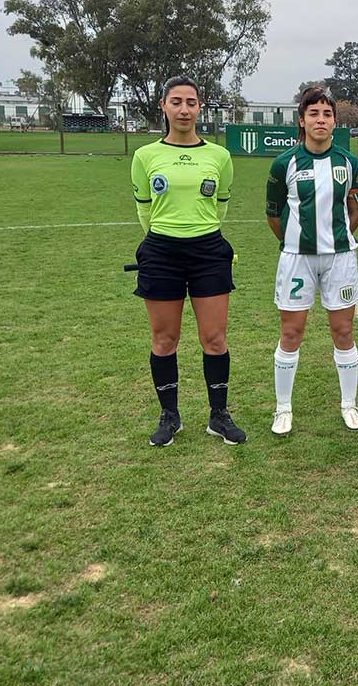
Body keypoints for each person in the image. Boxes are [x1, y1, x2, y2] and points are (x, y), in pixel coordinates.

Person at [130, 76, 246, 447]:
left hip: (208, 251)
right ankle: (170, 416)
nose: (184, 109)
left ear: (200, 108)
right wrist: (169, 237)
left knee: (214, 338)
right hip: (161, 252)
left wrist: (199, 233)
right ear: (163, 106)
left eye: (191, 102)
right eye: (176, 101)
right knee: (165, 339)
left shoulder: (219, 156)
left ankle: (219, 415)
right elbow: (144, 212)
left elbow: (221, 206)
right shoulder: (145, 156)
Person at [265, 87, 358, 435]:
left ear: (335, 121)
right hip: (297, 260)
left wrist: (337, 239)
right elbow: (274, 214)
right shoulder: (284, 164)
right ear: (302, 121)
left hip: (340, 259)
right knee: (292, 332)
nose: (320, 120)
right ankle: (283, 408)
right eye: (313, 114)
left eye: (326, 114)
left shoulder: (349, 163)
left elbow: (356, 208)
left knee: (343, 330)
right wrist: (295, 241)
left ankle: (349, 405)